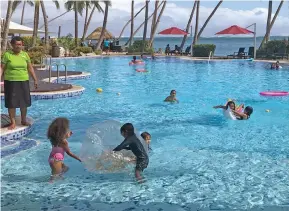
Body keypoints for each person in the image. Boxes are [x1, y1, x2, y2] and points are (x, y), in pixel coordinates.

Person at [1, 36, 38, 130]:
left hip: (23, 80)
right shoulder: (7, 55)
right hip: (11, 81)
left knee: (24, 102)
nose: (18, 46)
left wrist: (35, 79)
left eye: (20, 44)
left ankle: (23, 120)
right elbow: (2, 68)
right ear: (12, 45)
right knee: (11, 103)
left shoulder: (25, 55)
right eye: (17, 44)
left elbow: (30, 68)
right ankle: (13, 123)